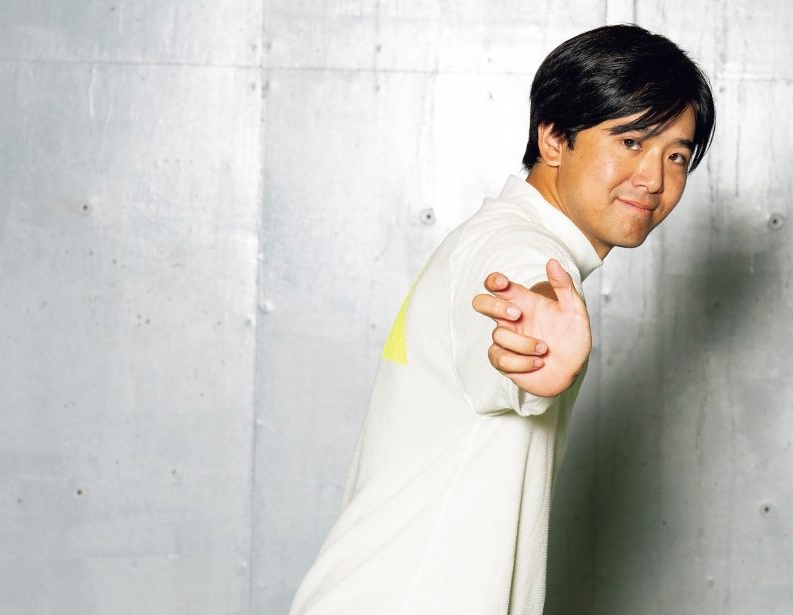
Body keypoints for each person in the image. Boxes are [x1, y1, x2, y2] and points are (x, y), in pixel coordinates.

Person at [288, 23, 715, 615]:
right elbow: (517, 300)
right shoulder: (511, 250)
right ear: (554, 138)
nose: (654, 179)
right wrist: (532, 346)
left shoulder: (487, 235)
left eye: (677, 156)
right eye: (630, 142)